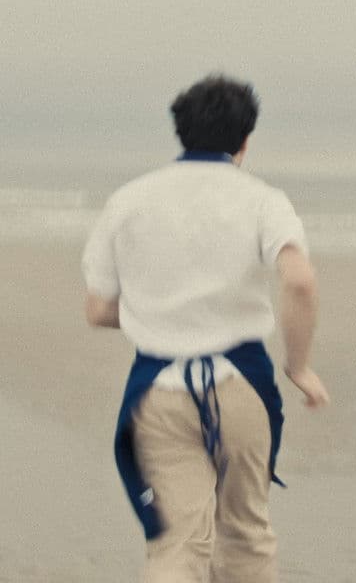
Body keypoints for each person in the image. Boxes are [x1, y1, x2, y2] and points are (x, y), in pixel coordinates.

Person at [82, 74, 329, 582]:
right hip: (241, 386)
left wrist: (161, 315)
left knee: (178, 542)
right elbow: (300, 281)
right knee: (245, 535)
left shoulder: (129, 201)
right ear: (245, 140)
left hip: (159, 391)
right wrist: (299, 367)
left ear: (181, 130)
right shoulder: (263, 200)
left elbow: (98, 309)